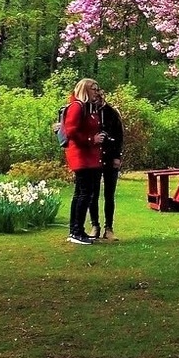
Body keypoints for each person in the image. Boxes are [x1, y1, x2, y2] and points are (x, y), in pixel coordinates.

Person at [63, 78, 106, 245]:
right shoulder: (77, 107)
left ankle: (76, 230)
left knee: (82, 194)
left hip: (91, 157)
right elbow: (71, 132)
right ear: (85, 90)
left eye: (97, 88)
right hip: (82, 157)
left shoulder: (90, 108)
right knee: (84, 194)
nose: (97, 91)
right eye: (93, 89)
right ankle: (76, 232)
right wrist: (91, 139)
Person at [84, 85, 124, 241]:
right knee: (93, 193)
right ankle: (95, 225)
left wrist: (117, 157)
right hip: (94, 157)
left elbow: (119, 136)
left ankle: (109, 227)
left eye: (99, 97)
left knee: (109, 194)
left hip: (110, 157)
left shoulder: (112, 114)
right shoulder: (88, 112)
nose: (97, 100)